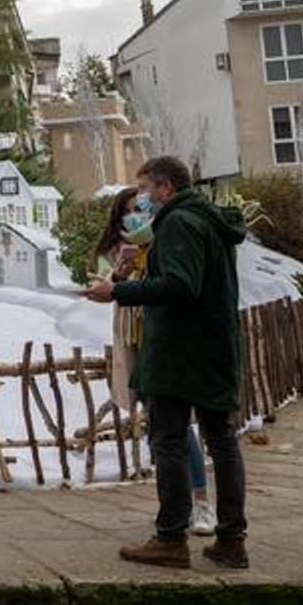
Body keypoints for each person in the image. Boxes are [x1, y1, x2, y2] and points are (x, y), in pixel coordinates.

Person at [81, 156, 248, 570]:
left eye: (144, 190)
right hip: (216, 345)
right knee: (222, 442)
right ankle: (232, 539)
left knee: (169, 440)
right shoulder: (209, 220)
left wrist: (116, 292)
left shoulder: (177, 223)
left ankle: (171, 537)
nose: (141, 200)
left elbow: (179, 285)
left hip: (181, 350)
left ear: (165, 188)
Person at [91, 187, 214, 535]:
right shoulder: (115, 250)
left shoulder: (166, 241)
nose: (136, 216)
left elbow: (172, 287)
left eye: (141, 209)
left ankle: (201, 501)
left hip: (163, 340)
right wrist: (119, 272)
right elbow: (104, 290)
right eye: (128, 211)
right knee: (160, 428)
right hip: (133, 340)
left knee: (176, 425)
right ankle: (174, 507)